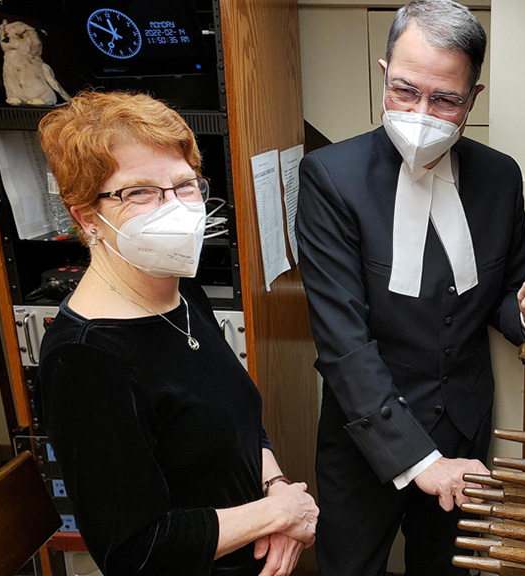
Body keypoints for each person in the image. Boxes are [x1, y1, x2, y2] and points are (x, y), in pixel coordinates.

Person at [295, 1, 525, 574]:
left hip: (462, 427)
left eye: (445, 99)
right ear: (383, 75)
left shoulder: (500, 177)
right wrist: (418, 460)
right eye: (404, 90)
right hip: (364, 433)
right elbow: (343, 343)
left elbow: (502, 297)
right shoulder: (330, 177)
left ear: (474, 99)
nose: (421, 112)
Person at [36, 91, 318, 576]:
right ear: (86, 217)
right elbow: (135, 551)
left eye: (185, 185)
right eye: (139, 191)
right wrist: (279, 514)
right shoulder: (85, 359)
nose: (175, 208)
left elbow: (237, 421)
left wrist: (277, 489)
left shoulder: (181, 293)